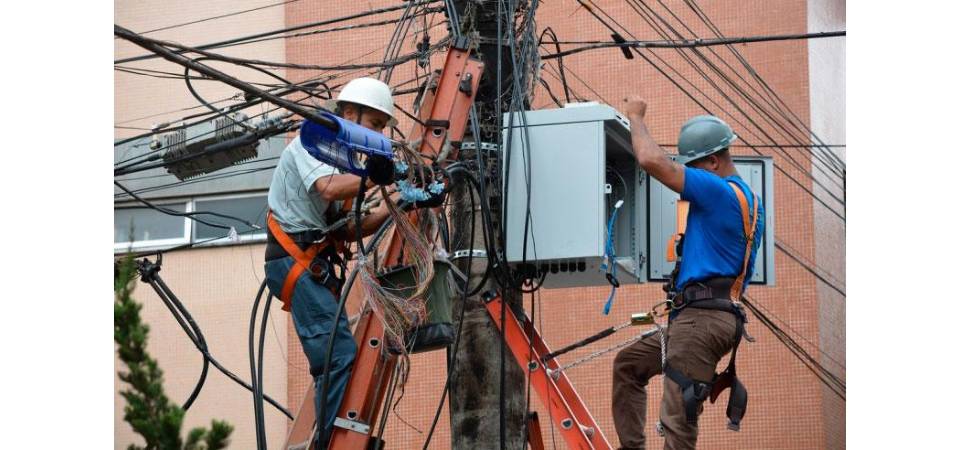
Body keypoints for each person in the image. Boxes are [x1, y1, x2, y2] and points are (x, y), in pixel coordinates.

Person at [612, 96, 765, 450]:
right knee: (629, 365)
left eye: (693, 168)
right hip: (704, 317)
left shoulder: (717, 191)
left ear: (713, 161)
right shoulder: (750, 202)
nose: (689, 178)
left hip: (701, 321)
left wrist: (636, 115)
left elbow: (652, 161)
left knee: (678, 420)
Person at [263, 76, 400, 444]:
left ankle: (332, 435)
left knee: (339, 355)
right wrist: (373, 179)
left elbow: (347, 230)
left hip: (311, 263)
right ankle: (329, 442)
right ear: (349, 113)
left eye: (381, 128)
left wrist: (398, 202)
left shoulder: (345, 162)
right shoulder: (313, 139)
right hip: (293, 261)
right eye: (373, 125)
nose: (377, 134)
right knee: (338, 356)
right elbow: (326, 189)